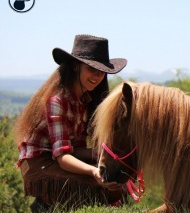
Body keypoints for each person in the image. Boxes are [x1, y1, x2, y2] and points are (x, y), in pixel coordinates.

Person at [14, 34, 128, 212]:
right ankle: (44, 207)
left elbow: (73, 149)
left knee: (116, 182)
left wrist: (101, 154)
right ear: (76, 66)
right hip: (39, 163)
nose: (98, 76)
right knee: (95, 185)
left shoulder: (85, 100)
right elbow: (63, 157)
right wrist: (93, 171)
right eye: (91, 69)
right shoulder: (57, 101)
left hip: (60, 157)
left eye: (102, 70)